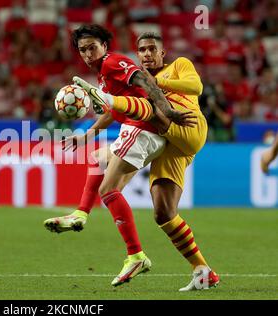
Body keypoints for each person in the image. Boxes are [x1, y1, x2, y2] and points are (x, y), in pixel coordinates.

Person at [45, 29, 220, 291]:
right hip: (170, 144)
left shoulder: (173, 67)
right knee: (163, 213)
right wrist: (87, 135)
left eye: (153, 49)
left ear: (163, 52)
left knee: (110, 183)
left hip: (186, 127)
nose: (147, 54)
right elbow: (117, 110)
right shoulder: (118, 74)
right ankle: (203, 270)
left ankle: (134, 254)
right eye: (142, 50)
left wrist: (160, 92)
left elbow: (196, 87)